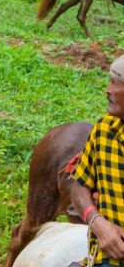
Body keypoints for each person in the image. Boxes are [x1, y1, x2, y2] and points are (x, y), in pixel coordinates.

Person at [71, 55, 124, 266]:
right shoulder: (104, 130)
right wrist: (98, 223)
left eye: (115, 82)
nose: (107, 90)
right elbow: (79, 186)